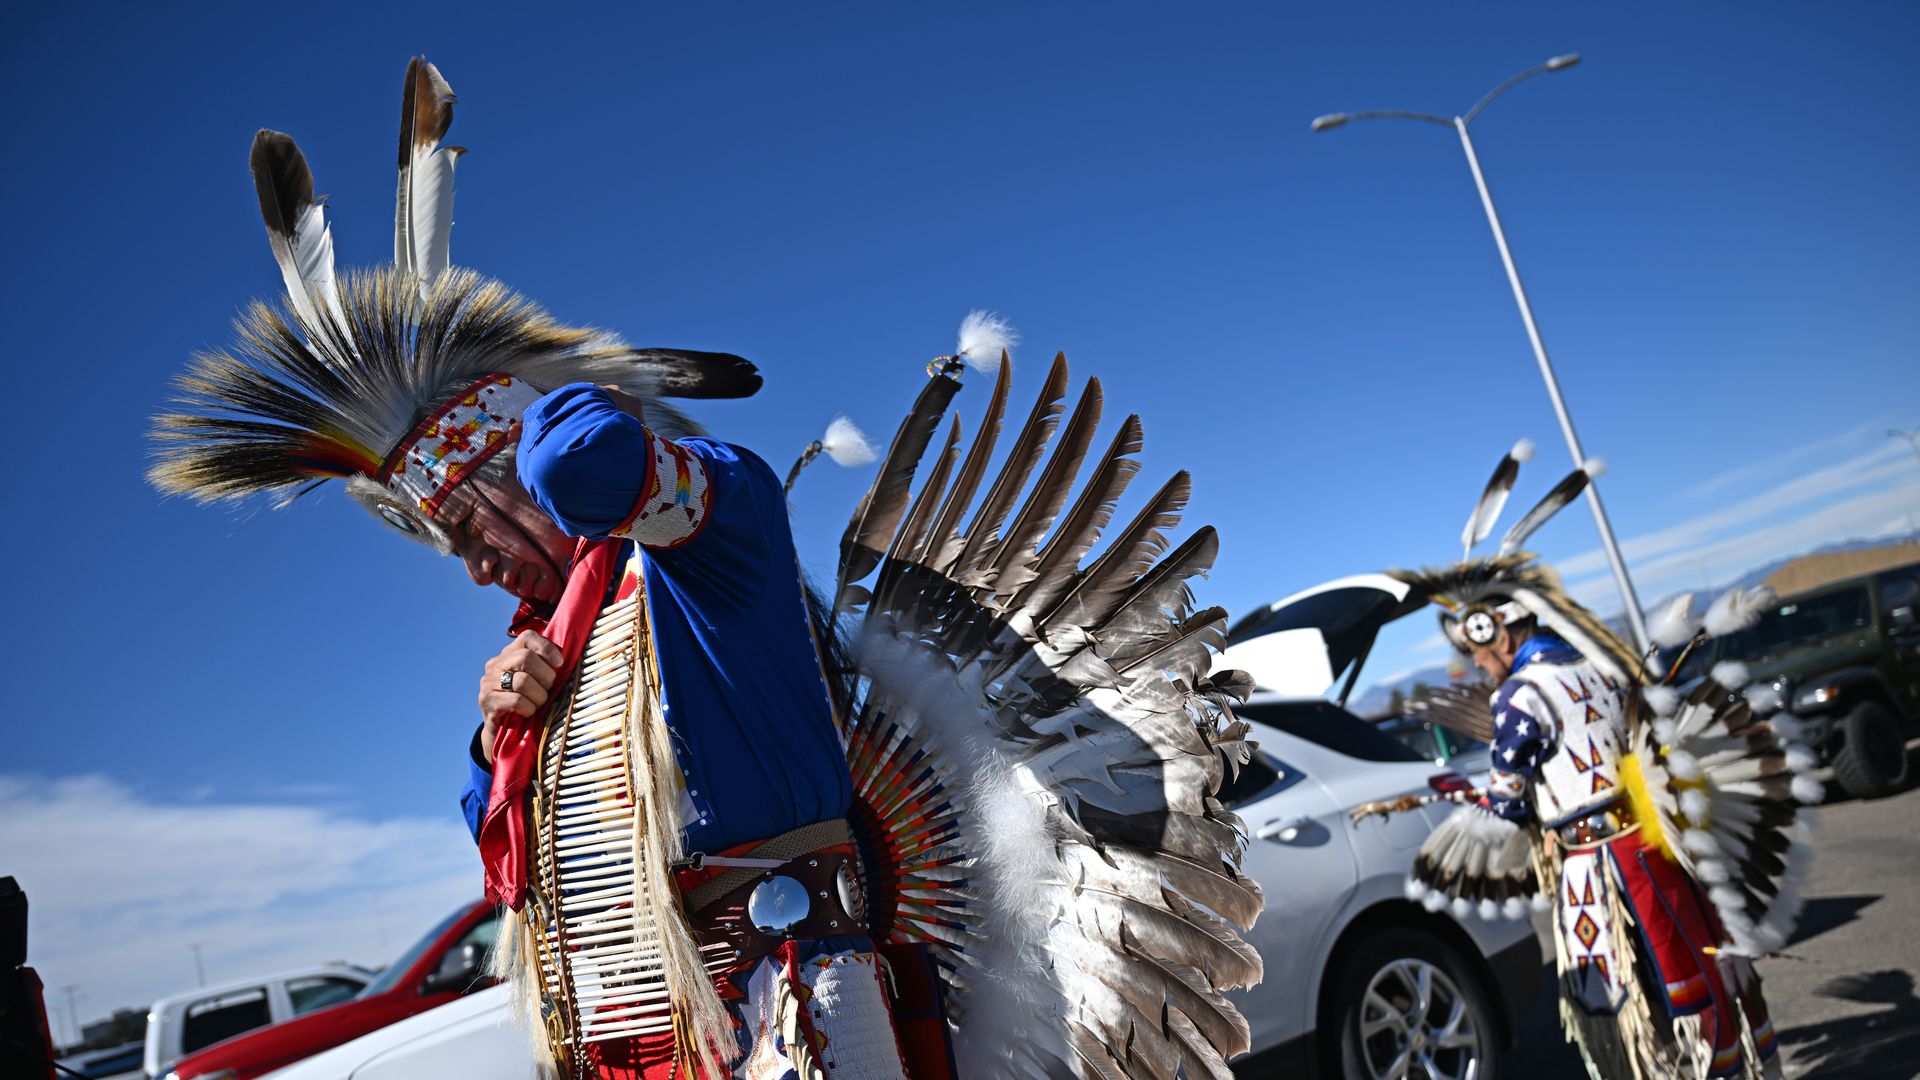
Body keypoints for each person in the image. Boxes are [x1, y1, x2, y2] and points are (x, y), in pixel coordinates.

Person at [153, 57, 1265, 1080]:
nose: (479, 571)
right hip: (648, 1039)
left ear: (506, 464)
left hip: (797, 1013)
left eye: (470, 531)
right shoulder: (552, 650)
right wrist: (494, 729)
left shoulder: (706, 545)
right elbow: (514, 865)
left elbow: (593, 464)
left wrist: (540, 406)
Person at [1370, 443, 1809, 1080]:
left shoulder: (1520, 697)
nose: (1475, 663)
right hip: (1655, 842)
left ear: (1496, 629)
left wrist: (1455, 796)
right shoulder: (1598, 663)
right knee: (1698, 963)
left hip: (1602, 865)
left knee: (1636, 994)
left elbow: (1510, 805)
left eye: (1475, 643)